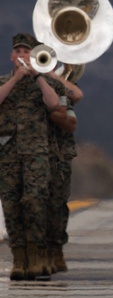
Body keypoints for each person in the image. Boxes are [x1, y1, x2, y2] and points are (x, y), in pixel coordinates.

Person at [0, 33, 67, 281]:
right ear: (11, 56)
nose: (21, 56)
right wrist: (16, 78)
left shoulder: (49, 83)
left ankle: (37, 255)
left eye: (26, 52)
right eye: (17, 51)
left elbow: (54, 105)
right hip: (8, 153)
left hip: (37, 154)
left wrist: (38, 76)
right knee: (11, 205)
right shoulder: (3, 82)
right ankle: (19, 259)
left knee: (36, 202)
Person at [45, 64, 84, 275]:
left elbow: (71, 119)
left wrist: (50, 76)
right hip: (29, 153)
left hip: (58, 154)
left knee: (58, 204)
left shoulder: (61, 89)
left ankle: (56, 248)